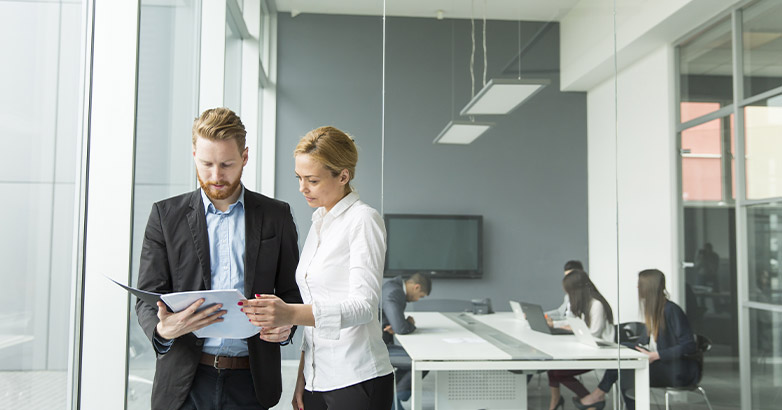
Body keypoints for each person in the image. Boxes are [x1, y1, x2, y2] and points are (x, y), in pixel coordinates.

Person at [135, 107, 302, 410]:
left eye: (226, 164)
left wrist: (287, 325)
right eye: (206, 163)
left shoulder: (276, 216)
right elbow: (147, 297)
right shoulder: (165, 216)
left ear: (245, 157)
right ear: (194, 153)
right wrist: (163, 330)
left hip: (251, 382)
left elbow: (291, 292)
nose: (215, 176)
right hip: (184, 382)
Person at [241, 126, 394, 410]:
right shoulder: (319, 222)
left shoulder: (363, 220)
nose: (302, 188)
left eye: (312, 180)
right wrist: (302, 376)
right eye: (299, 178)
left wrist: (289, 313)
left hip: (357, 378)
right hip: (316, 379)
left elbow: (363, 307)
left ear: (343, 176)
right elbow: (315, 306)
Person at [574, 269, 698, 410]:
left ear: (648, 287)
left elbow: (689, 346)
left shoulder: (671, 310)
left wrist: (655, 355)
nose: (637, 287)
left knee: (627, 371)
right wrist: (633, 349)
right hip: (661, 363)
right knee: (624, 354)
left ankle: (599, 395)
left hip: (677, 369)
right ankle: (601, 396)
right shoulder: (653, 310)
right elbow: (643, 342)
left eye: (640, 284)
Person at [546, 270, 614, 410]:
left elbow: (594, 333)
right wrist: (562, 326)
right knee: (551, 368)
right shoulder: (585, 303)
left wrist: (573, 330)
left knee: (559, 372)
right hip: (587, 348)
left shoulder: (596, 305)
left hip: (601, 351)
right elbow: (576, 325)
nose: (568, 296)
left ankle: (591, 402)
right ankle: (556, 402)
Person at [381, 273, 432, 407]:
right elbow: (401, 328)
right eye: (420, 296)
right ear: (416, 287)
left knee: (416, 358)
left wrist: (399, 323)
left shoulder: (392, 286)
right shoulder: (394, 292)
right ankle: (396, 395)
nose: (417, 300)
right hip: (379, 349)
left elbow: (396, 325)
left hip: (381, 344)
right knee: (423, 360)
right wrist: (409, 323)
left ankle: (392, 396)